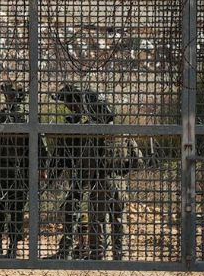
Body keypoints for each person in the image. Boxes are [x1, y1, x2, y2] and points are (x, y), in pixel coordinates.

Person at [50, 84, 139, 260]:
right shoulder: (120, 132)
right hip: (119, 182)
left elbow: (87, 164)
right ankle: (119, 255)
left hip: (100, 181)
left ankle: (97, 254)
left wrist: (80, 184)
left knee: (97, 219)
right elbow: (137, 159)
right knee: (118, 219)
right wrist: (122, 172)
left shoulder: (93, 134)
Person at [0, 83, 42, 258]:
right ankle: (11, 246)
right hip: (18, 170)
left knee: (0, 207)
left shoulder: (3, 117)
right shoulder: (28, 117)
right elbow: (40, 146)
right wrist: (41, 167)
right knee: (15, 209)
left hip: (5, 168)